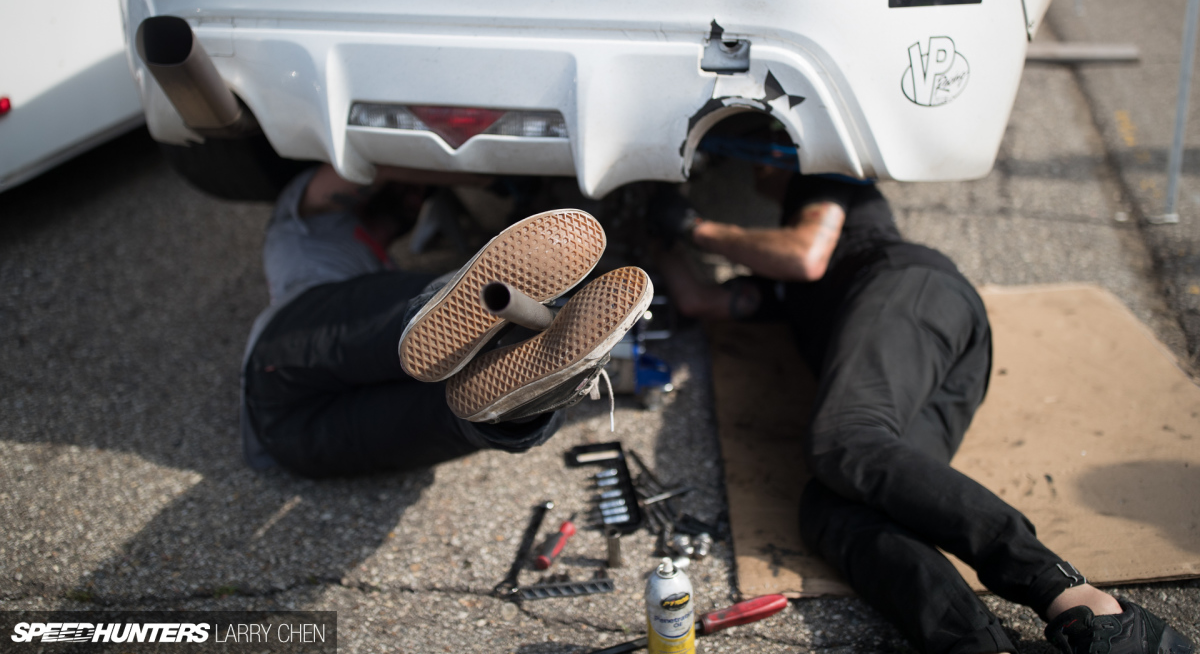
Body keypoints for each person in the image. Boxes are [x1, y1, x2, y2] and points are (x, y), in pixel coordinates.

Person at [650, 167, 1194, 654]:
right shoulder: (779, 285)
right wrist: (648, 230)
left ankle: (1077, 600)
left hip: (913, 294)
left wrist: (692, 227)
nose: (743, 168)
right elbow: (701, 300)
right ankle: (972, 642)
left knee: (843, 438)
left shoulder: (828, 173)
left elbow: (805, 253)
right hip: (925, 367)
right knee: (830, 510)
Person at [240, 164, 651, 478]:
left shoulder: (381, 263)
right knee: (411, 323)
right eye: (412, 189)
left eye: (422, 195)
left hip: (294, 445)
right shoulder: (304, 225)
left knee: (463, 409)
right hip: (284, 362)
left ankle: (527, 400)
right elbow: (368, 164)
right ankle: (523, 334)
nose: (415, 197)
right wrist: (481, 177)